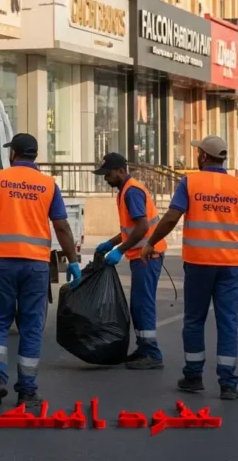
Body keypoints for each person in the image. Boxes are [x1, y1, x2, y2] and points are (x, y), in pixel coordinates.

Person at [0, 133, 81, 408]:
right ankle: (27, 388)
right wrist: (73, 260)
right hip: (36, 265)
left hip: (3, 262)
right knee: (31, 326)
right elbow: (62, 226)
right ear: (35, 156)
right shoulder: (48, 184)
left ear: (14, 154)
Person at [140, 135, 238, 400]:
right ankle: (228, 383)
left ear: (203, 157)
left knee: (194, 320)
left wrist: (151, 243)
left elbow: (172, 216)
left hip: (198, 264)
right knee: (228, 322)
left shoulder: (190, 182)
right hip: (229, 265)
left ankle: (193, 376)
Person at [93, 152, 167, 370]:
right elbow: (130, 229)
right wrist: (110, 243)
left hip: (147, 256)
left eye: (108, 174)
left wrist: (119, 251)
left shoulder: (131, 192)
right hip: (144, 255)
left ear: (121, 171)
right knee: (138, 305)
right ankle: (144, 348)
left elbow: (142, 227)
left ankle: (152, 353)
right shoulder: (126, 191)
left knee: (142, 305)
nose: (105, 178)